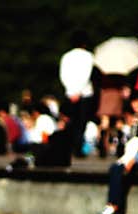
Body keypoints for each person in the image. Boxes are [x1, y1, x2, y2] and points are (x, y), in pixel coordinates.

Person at [59, 29, 96, 158]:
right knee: (81, 123)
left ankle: (69, 148)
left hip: (70, 93)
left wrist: (71, 90)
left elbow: (63, 76)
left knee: (71, 122)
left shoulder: (66, 56)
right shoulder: (89, 56)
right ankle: (77, 148)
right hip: (84, 94)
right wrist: (78, 91)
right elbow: (86, 75)